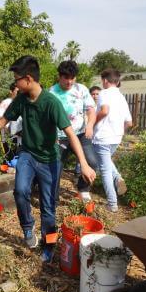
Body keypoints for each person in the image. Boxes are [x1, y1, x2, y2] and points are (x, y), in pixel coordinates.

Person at [0, 56, 96, 263]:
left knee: (48, 207)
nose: (15, 83)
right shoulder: (21, 100)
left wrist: (84, 164)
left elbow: (70, 134)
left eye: (17, 79)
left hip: (50, 159)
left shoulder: (51, 103)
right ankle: (28, 227)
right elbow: (1, 122)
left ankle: (49, 244)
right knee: (21, 191)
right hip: (27, 154)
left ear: (29, 79)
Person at [49, 61, 98, 201]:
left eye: (72, 77)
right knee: (56, 167)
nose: (69, 81)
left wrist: (90, 125)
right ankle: (53, 198)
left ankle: (83, 189)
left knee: (92, 162)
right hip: (60, 136)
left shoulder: (81, 89)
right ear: (60, 76)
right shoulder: (51, 93)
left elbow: (91, 110)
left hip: (81, 133)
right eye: (66, 78)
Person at [93, 69, 132, 212]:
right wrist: (120, 132)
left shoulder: (104, 94)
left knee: (105, 170)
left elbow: (104, 111)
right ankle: (118, 178)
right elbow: (129, 122)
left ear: (105, 80)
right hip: (116, 138)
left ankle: (112, 203)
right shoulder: (121, 97)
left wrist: (91, 124)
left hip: (103, 137)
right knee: (107, 163)